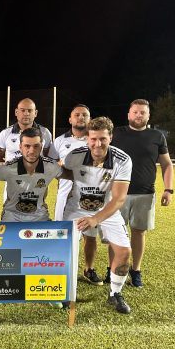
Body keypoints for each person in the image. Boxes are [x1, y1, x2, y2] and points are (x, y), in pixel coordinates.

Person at [62, 117, 133, 314]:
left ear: (111, 137)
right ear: (87, 138)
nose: (98, 144)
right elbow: (64, 171)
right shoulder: (74, 156)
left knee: (124, 251)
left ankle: (115, 293)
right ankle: (64, 290)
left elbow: (119, 199)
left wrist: (95, 219)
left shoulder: (122, 160)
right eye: (93, 139)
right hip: (76, 209)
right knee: (64, 248)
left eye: (103, 139)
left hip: (107, 209)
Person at [109, 99, 174, 288]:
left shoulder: (156, 136)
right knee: (115, 234)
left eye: (142, 112)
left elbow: (167, 164)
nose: (139, 115)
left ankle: (135, 271)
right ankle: (112, 269)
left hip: (145, 194)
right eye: (135, 112)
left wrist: (168, 189)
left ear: (148, 115)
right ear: (128, 114)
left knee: (139, 232)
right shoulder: (116, 134)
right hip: (116, 193)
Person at [49, 104, 102, 285]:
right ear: (70, 119)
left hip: (90, 196)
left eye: (84, 115)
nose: (80, 117)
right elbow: (51, 164)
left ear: (90, 119)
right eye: (77, 115)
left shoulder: (95, 139)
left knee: (90, 235)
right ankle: (62, 270)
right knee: (62, 235)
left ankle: (89, 269)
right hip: (65, 196)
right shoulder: (59, 141)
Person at [0, 127, 62, 222]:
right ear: (20, 147)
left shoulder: (51, 167)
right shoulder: (8, 168)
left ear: (41, 146)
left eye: (36, 146)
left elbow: (74, 175)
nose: (31, 151)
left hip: (40, 217)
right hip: (12, 217)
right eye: (27, 146)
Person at [0, 98, 53, 162]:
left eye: (30, 110)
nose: (26, 114)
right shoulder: (5, 133)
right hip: (12, 168)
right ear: (16, 112)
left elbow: (48, 158)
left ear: (35, 113)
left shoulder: (45, 133)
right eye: (22, 110)